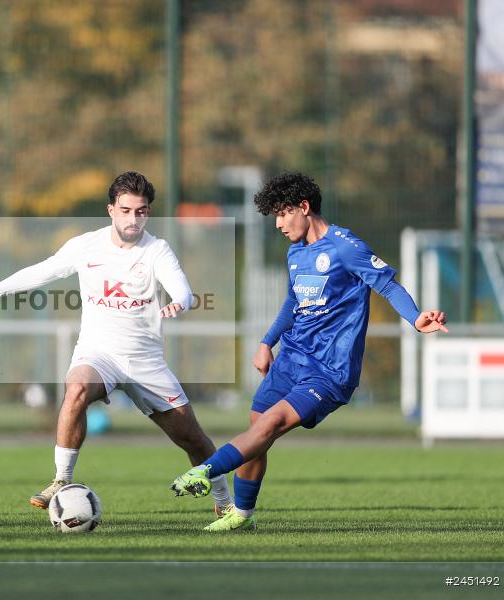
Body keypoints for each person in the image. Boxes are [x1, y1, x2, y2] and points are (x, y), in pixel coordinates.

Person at [170, 172, 448, 531]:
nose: (279, 224)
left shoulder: (346, 246)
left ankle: (206, 471)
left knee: (271, 424)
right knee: (258, 430)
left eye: (283, 214)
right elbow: (293, 301)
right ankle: (241, 515)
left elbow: (388, 286)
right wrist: (267, 342)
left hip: (329, 370)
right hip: (291, 358)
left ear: (304, 207)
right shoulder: (296, 252)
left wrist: (415, 317)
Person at [0, 171, 233, 515]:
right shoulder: (85, 246)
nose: (134, 219)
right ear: (110, 210)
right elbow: (39, 272)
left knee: (191, 437)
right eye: (126, 210)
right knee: (75, 388)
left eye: (142, 211)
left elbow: (182, 288)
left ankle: (224, 503)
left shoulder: (156, 250)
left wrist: (181, 301)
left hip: (144, 361)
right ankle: (61, 478)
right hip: (99, 353)